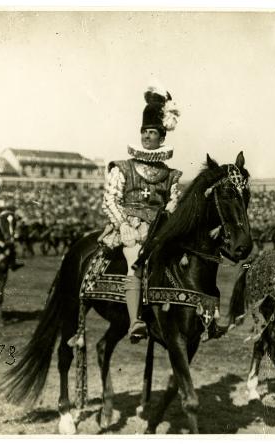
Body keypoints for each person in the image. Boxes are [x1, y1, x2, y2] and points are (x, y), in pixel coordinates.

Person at [99, 83, 182, 343]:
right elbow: (110, 199)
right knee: (135, 259)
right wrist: (123, 224)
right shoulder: (122, 167)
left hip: (159, 227)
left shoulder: (171, 175)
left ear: (162, 137)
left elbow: (173, 202)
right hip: (129, 226)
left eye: (153, 132)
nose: (147, 136)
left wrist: (165, 217)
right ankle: (136, 320)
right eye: (144, 131)